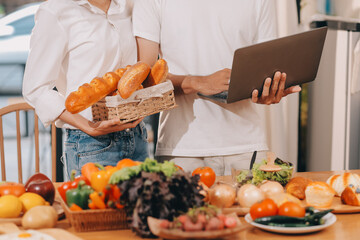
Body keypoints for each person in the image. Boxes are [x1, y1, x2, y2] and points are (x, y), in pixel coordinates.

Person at [132, 0, 301, 176]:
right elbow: (146, 77)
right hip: (181, 150)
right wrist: (197, 82)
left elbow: (265, 68)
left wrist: (268, 90)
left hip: (246, 149)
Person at [22, 0, 149, 178]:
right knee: (95, 206)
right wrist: (89, 127)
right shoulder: (57, 11)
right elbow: (35, 88)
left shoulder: (128, 6)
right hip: (92, 144)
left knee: (142, 205)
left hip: (136, 135)